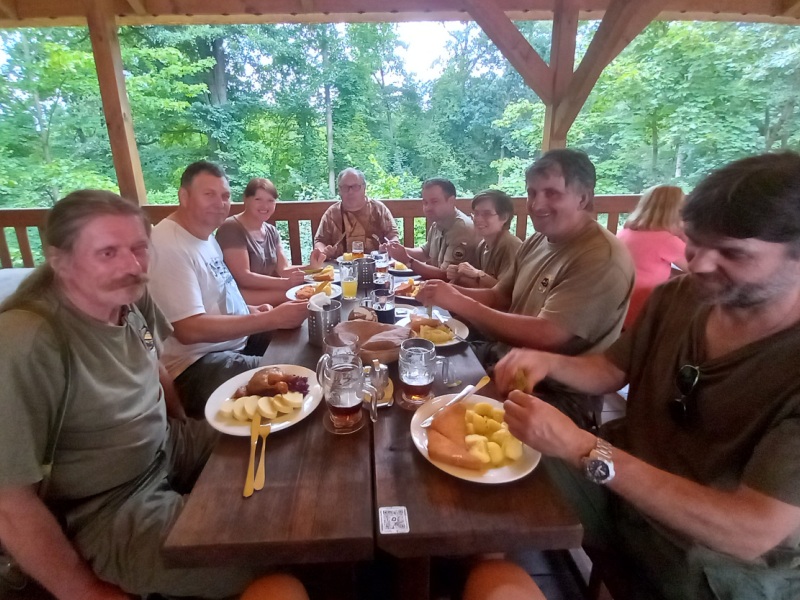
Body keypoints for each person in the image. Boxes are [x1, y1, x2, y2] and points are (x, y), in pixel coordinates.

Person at [493, 151, 800, 600]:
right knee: (488, 482)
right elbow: (609, 370)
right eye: (694, 243)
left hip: (714, 563)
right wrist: (548, 362)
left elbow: (749, 532)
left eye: (733, 253)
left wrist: (582, 447)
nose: (699, 265)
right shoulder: (678, 297)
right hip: (621, 493)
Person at [0, 190, 307, 599]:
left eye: (138, 248)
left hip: (170, 444)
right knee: (277, 559)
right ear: (61, 261)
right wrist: (86, 592)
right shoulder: (26, 341)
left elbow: (156, 365)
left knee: (292, 439)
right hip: (108, 506)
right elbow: (9, 502)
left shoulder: (132, 298)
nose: (131, 266)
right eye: (107, 253)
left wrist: (185, 428)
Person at [417, 150, 634, 427]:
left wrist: (460, 302)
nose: (537, 204)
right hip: (504, 357)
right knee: (425, 364)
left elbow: (547, 335)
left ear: (583, 198)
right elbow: (499, 295)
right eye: (532, 193)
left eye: (552, 193)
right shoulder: (537, 241)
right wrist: (445, 292)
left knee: (448, 420)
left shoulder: (600, 257)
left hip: (554, 392)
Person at [148, 161, 308, 418]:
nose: (220, 203)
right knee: (295, 379)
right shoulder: (169, 246)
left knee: (306, 343)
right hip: (197, 365)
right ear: (184, 196)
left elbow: (218, 293)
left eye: (224, 196)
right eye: (209, 194)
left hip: (236, 341)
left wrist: (251, 310)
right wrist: (269, 318)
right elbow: (188, 329)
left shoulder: (205, 237)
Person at [216, 177, 325, 306]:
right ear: (245, 199)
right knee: (304, 299)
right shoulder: (231, 228)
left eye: (270, 200)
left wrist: (310, 267)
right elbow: (243, 277)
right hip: (241, 297)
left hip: (269, 291)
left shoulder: (271, 231)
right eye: (258, 199)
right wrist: (285, 283)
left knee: (317, 293)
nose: (265, 206)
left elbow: (283, 269)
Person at [617, 184, 688, 328]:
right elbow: (696, 267)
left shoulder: (626, 232)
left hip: (616, 306)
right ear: (676, 213)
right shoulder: (666, 240)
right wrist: (685, 236)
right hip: (641, 311)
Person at [388, 178, 477, 279]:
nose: (428, 208)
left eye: (434, 202)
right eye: (425, 202)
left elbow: (446, 276)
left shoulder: (461, 229)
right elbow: (424, 252)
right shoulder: (438, 222)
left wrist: (407, 260)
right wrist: (396, 250)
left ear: (451, 201)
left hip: (456, 287)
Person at [313, 167, 399, 259]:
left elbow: (393, 236)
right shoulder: (332, 213)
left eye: (355, 187)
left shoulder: (379, 209)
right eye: (345, 187)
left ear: (364, 188)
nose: (350, 192)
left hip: (375, 264)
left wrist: (389, 246)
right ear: (339, 190)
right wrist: (324, 252)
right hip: (339, 266)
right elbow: (319, 241)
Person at [446, 189, 522, 288]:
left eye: (487, 214)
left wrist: (478, 274)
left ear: (504, 217)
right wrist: (459, 273)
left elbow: (507, 291)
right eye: (476, 213)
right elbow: (478, 283)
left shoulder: (511, 246)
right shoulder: (482, 245)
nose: (478, 219)